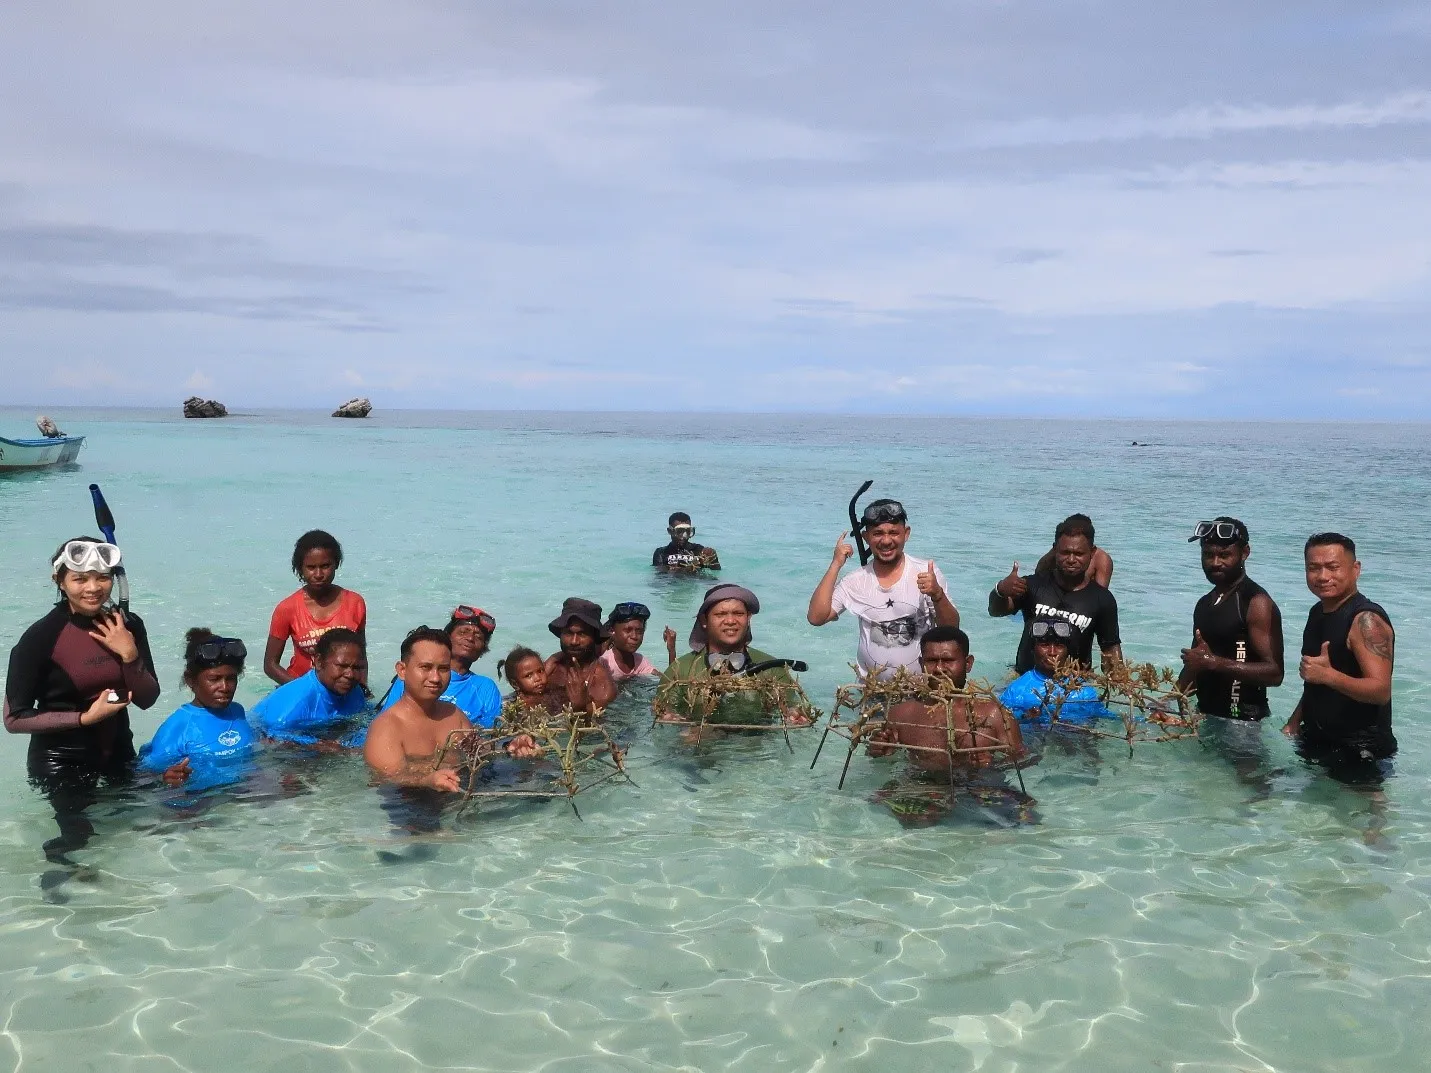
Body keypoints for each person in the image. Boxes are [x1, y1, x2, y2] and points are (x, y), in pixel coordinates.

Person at [4, 537, 162, 864]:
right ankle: (63, 883)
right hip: (62, 762)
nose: (93, 588)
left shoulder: (128, 625)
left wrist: (130, 654)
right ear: (59, 581)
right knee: (78, 837)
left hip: (118, 751)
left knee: (147, 821)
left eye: (102, 577)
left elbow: (147, 699)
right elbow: (14, 719)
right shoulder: (40, 638)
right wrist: (84, 718)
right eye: (79, 579)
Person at [365, 628, 540, 794]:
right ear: (402, 670)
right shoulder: (386, 728)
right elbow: (388, 778)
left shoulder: (453, 714)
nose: (435, 678)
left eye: (443, 669)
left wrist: (510, 746)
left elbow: (481, 751)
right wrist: (426, 781)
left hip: (460, 792)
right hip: (412, 804)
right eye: (425, 667)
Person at [1283, 534, 1396, 784]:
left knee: (1365, 810)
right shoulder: (1318, 612)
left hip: (1360, 750)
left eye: (1333, 567)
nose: (1323, 576)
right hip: (1319, 739)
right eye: (1313, 568)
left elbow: (1381, 691)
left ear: (1356, 569)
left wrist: (1329, 676)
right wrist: (1294, 722)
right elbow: (1316, 681)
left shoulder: (1366, 620)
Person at [807, 498, 959, 679]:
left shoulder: (926, 572)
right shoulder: (855, 581)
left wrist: (937, 594)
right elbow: (816, 618)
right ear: (866, 537)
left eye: (894, 533)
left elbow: (952, 630)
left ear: (906, 534)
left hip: (922, 688)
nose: (886, 541)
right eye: (877, 533)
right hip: (871, 690)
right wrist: (835, 565)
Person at [869, 627, 1027, 772]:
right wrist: (880, 751)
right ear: (921, 663)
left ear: (968, 663)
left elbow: (1023, 759)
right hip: (919, 786)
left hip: (977, 787)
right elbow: (884, 763)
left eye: (948, 660)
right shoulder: (900, 715)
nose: (939, 669)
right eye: (931, 661)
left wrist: (992, 764)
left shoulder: (995, 714)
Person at [657, 584, 813, 728]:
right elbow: (664, 713)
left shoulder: (773, 669)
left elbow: (791, 705)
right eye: (720, 614)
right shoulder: (679, 671)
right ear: (704, 620)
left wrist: (795, 714)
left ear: (748, 618)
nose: (731, 621)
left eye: (738, 613)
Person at [1178, 518, 1284, 722]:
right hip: (1206, 716)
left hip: (1244, 723)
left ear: (1244, 553)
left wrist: (1215, 663)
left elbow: (1275, 673)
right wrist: (1167, 702)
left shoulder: (1255, 603)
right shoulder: (1204, 604)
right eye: (1208, 555)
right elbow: (1196, 665)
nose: (1215, 563)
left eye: (1225, 555)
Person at [988, 514, 1122, 673]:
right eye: (1065, 552)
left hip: (1074, 683)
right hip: (1025, 679)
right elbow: (995, 611)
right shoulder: (1033, 585)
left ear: (1092, 553)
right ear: (1055, 550)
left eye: (1079, 554)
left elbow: (1110, 649)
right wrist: (1000, 590)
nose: (1071, 559)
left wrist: (1118, 682)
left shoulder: (1102, 599)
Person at [139, 630, 257, 790]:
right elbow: (144, 775)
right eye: (214, 679)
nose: (224, 687)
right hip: (202, 797)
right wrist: (165, 778)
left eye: (231, 678)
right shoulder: (177, 726)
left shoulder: (237, 712)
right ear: (190, 680)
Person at [264, 529, 367, 685]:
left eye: (325, 566)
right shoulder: (287, 608)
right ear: (300, 568)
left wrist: (362, 688)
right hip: (300, 685)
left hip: (343, 687)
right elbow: (270, 665)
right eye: (311, 567)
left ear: (336, 564)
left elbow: (361, 656)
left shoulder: (355, 603)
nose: (318, 574)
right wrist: (302, 690)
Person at [380, 606, 502, 728]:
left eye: (478, 637)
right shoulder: (413, 676)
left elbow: (492, 730)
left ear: (483, 650)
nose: (470, 638)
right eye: (463, 632)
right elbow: (387, 721)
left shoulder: (485, 687)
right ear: (447, 637)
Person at [251, 628, 370, 747]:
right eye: (342, 666)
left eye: (357, 667)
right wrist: (320, 746)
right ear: (318, 662)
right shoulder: (295, 706)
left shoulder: (354, 692)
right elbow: (272, 739)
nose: (350, 674)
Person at [998, 618, 1115, 725]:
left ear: (1068, 651)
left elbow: (1102, 718)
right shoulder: (1017, 690)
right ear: (1032, 649)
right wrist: (1025, 717)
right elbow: (1000, 720)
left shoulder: (1083, 690)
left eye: (1059, 645)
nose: (1052, 652)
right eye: (1044, 645)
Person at [544, 598, 618, 713]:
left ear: (594, 637)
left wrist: (580, 707)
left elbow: (598, 722)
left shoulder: (603, 687)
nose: (574, 641)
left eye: (582, 634)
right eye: (568, 633)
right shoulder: (550, 667)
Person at [1034, 514, 1114, 588]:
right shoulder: (1056, 552)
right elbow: (1038, 575)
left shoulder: (1102, 558)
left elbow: (1102, 591)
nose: (1071, 559)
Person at [599, 602, 663, 685]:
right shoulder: (605, 662)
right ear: (612, 631)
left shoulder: (639, 661)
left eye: (639, 631)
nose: (634, 636)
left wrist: (671, 650)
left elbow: (666, 682)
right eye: (628, 630)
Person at [653, 513, 721, 572]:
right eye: (679, 531)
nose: (684, 536)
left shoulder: (699, 550)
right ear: (670, 531)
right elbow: (660, 575)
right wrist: (686, 570)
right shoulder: (661, 553)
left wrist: (714, 560)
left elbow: (716, 571)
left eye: (688, 531)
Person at [500, 647, 553, 714]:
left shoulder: (551, 694)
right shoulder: (509, 705)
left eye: (540, 671)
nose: (538, 678)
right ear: (515, 684)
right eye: (528, 675)